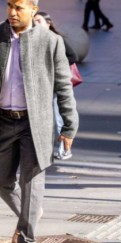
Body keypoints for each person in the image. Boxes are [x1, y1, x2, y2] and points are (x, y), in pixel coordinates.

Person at [0, 0, 79, 242]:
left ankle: (26, 236)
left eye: (19, 7)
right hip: (3, 121)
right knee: (3, 181)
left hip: (34, 124)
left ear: (33, 9)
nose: (12, 12)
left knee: (31, 183)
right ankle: (31, 212)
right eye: (9, 5)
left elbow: (63, 86)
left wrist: (69, 125)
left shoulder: (50, 41)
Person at [34, 11, 79, 160]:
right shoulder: (32, 40)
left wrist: (56, 67)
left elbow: (73, 56)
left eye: (39, 21)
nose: (35, 24)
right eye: (34, 21)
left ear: (48, 23)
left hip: (54, 85)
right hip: (40, 87)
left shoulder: (56, 40)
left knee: (59, 117)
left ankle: (64, 150)